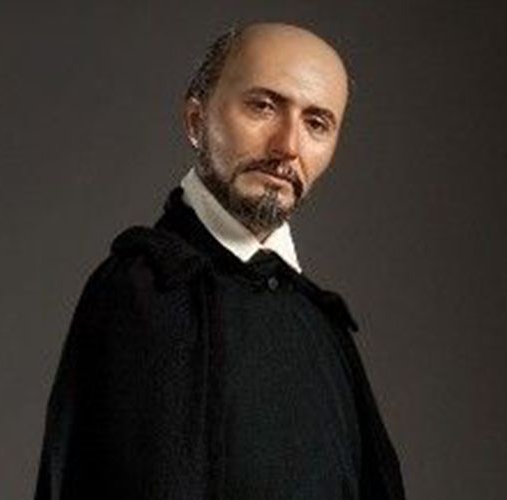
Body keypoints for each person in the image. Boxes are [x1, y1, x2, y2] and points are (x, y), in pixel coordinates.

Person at [34, 22, 405, 500]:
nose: (287, 147)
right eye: (263, 106)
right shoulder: (138, 292)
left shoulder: (323, 325)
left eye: (316, 123)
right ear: (196, 121)